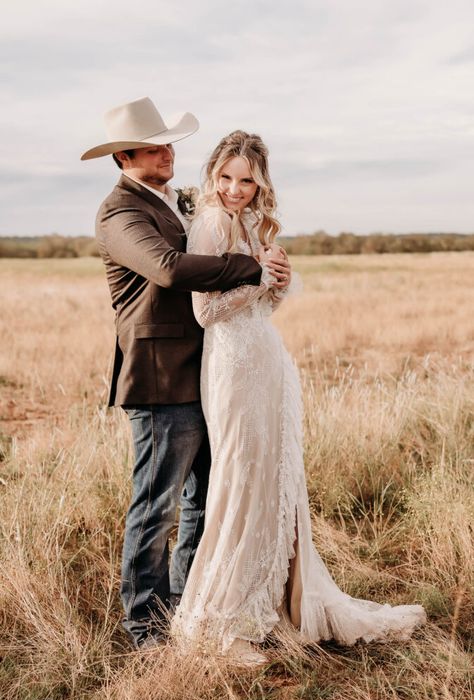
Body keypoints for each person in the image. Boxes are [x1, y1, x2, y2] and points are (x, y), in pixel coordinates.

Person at [171, 130, 427, 664]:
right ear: (212, 175)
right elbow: (206, 313)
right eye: (226, 178)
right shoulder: (211, 223)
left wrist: (278, 284)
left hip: (267, 361)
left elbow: (263, 304)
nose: (235, 190)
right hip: (231, 370)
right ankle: (226, 623)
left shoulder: (253, 224)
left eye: (246, 180)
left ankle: (277, 603)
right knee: (240, 478)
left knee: (273, 477)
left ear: (260, 182)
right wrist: (260, 282)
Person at [80, 98, 291, 649]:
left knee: (203, 499)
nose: (167, 152)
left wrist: (268, 260)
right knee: (157, 504)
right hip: (159, 376)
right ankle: (144, 627)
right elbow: (171, 270)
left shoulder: (182, 203)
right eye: (153, 146)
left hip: (212, 373)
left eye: (169, 142)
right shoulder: (120, 212)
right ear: (124, 157)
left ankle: (187, 606)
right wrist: (254, 268)